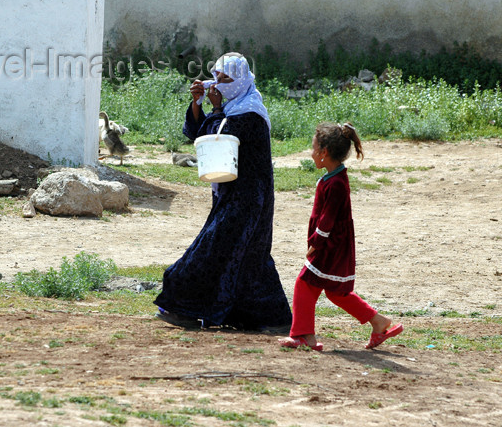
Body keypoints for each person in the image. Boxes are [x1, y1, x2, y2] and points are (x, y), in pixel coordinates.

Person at [154, 53, 292, 331]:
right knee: (246, 256)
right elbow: (199, 135)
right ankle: (267, 318)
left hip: (249, 198)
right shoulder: (234, 108)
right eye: (217, 77)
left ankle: (185, 309)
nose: (219, 83)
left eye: (226, 79)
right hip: (233, 195)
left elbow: (219, 134)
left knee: (214, 248)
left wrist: (215, 109)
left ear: (241, 80)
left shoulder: (250, 112)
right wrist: (197, 104)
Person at [279, 122, 403, 351]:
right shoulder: (334, 177)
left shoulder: (336, 183)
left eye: (313, 148)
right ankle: (378, 322)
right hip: (335, 244)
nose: (311, 153)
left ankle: (304, 335)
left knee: (304, 283)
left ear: (323, 153)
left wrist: (315, 243)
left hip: (330, 246)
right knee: (337, 292)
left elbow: (327, 219)